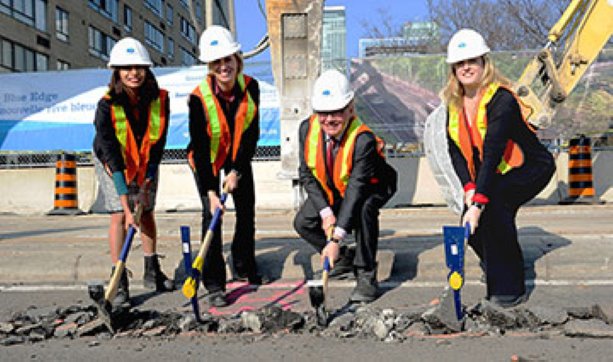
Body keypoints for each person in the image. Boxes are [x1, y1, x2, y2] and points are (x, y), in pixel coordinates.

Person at [442, 29, 555, 307]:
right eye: (460, 63)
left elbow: (492, 153)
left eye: (473, 61)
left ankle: (508, 288)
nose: (466, 67)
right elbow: (455, 150)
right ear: (453, 69)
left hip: (531, 166)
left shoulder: (500, 100)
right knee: (469, 227)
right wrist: (469, 189)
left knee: (494, 206)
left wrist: (478, 203)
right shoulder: (453, 105)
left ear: (484, 63)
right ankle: (495, 262)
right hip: (492, 172)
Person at [294, 69, 397, 303]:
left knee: (363, 211)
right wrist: (326, 213)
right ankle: (341, 259)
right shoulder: (306, 129)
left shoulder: (363, 140)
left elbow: (355, 191)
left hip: (372, 186)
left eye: (336, 112)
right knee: (303, 223)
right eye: (323, 113)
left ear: (350, 108)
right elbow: (306, 174)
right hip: (334, 186)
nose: (329, 119)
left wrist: (336, 238)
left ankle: (366, 273)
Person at [93, 37, 174, 306]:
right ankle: (120, 280)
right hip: (112, 162)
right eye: (126, 68)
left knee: (147, 211)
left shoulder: (160, 99)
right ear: (116, 71)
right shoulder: (107, 105)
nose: (133, 73)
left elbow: (159, 142)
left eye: (139, 67)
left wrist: (147, 181)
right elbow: (111, 153)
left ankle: (152, 271)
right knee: (119, 214)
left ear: (147, 69)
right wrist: (128, 207)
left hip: (146, 160)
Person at [187, 26, 263, 307]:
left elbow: (251, 134)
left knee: (246, 211)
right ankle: (215, 283)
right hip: (206, 159)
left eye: (227, 59)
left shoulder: (251, 87)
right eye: (216, 62)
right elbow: (200, 144)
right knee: (213, 217)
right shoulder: (198, 98)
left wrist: (236, 171)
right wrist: (210, 191)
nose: (223, 67)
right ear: (210, 66)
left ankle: (245, 265)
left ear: (237, 59)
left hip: (237, 157)